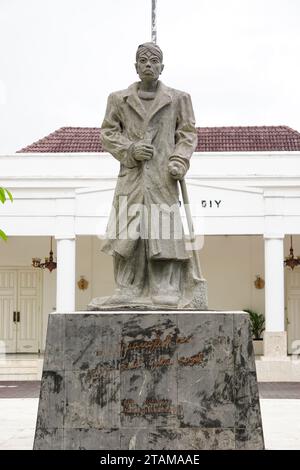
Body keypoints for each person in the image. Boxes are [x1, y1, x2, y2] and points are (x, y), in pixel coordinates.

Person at [100, 42, 201, 307]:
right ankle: (128, 287)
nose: (148, 64)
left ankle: (165, 287)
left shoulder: (179, 99)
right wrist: (130, 149)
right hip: (131, 178)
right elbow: (108, 134)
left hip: (162, 177)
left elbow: (188, 133)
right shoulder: (117, 99)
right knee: (127, 232)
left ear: (162, 67)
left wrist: (179, 159)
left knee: (163, 230)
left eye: (154, 61)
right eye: (143, 60)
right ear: (135, 66)